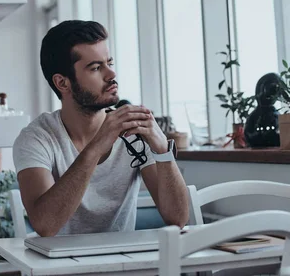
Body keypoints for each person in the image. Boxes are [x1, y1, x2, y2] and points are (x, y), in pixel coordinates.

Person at [13, 20, 189, 236]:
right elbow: (45, 225)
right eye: (96, 68)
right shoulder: (36, 138)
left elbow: (178, 219)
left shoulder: (134, 132)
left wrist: (162, 152)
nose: (111, 75)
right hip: (61, 265)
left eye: (110, 63)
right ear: (62, 83)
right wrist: (96, 147)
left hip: (124, 263)